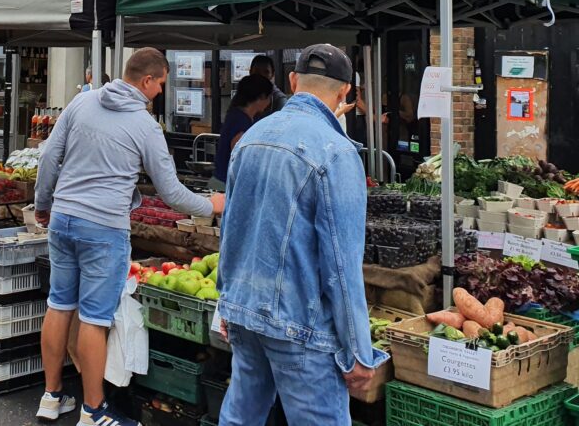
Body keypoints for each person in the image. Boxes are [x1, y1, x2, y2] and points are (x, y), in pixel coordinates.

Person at [35, 48, 226, 426]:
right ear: (146, 81)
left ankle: (51, 396)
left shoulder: (82, 101)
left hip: (64, 218)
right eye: (160, 85)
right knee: (93, 318)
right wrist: (212, 205)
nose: (160, 93)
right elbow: (171, 192)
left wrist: (43, 204)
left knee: (59, 306)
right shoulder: (145, 126)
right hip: (103, 228)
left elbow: (49, 158)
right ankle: (93, 411)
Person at [216, 44, 388, 426]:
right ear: (345, 92)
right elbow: (341, 266)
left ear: (293, 81)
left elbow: (230, 228)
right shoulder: (338, 153)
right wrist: (359, 351)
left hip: (244, 309)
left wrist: (226, 298)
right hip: (300, 324)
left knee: (240, 418)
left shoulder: (251, 137)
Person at [207, 74, 274, 191]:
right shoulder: (240, 120)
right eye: (269, 97)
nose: (269, 102)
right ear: (262, 97)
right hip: (226, 186)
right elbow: (240, 158)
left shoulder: (244, 116)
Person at [249, 54, 287, 119]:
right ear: (250, 72)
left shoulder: (279, 99)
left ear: (272, 74)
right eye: (257, 72)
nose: (261, 76)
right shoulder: (243, 95)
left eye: (266, 72)